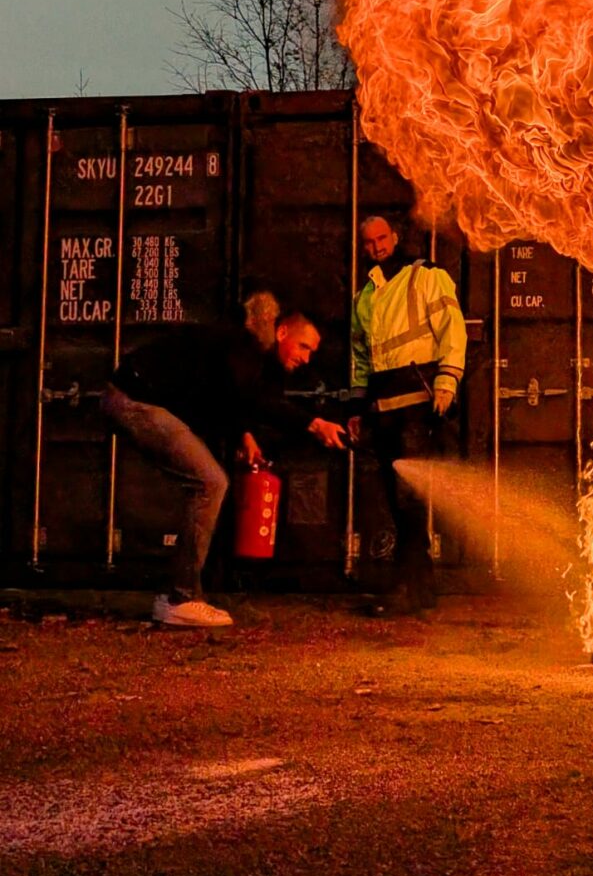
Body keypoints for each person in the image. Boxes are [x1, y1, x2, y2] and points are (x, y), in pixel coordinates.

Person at [101, 305, 345, 627]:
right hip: (133, 400)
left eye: (312, 352)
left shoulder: (254, 357)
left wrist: (243, 435)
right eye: (304, 346)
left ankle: (175, 595)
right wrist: (314, 424)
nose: (307, 358)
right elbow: (254, 399)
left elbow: (230, 396)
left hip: (141, 399)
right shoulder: (248, 347)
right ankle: (180, 598)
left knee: (208, 481)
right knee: (210, 483)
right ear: (282, 332)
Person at [350, 215, 467, 612]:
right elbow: (360, 356)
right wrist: (356, 406)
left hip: (418, 404)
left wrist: (447, 381)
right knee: (398, 500)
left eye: (382, 239)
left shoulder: (426, 276)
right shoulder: (366, 294)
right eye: (369, 242)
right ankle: (420, 589)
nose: (377, 247)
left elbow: (454, 328)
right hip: (383, 409)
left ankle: (409, 588)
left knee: (408, 499)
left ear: (395, 238)